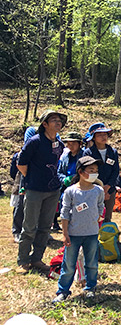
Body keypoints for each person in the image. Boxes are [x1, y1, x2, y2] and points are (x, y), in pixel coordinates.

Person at [16, 110, 67, 275]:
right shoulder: (35, 142)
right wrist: (31, 178)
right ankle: (23, 261)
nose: (58, 122)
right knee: (29, 226)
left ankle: (37, 259)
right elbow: (21, 163)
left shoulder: (59, 144)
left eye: (59, 120)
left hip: (53, 191)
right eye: (54, 120)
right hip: (35, 190)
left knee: (45, 227)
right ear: (45, 124)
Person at [53, 156, 105, 303]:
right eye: (91, 170)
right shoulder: (71, 192)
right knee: (68, 264)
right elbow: (65, 213)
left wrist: (99, 218)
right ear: (81, 172)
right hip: (74, 234)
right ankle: (63, 291)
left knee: (91, 263)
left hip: (92, 233)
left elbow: (101, 207)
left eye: (96, 170)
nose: (95, 173)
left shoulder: (98, 191)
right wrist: (65, 233)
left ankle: (90, 288)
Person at [83, 123, 119, 223]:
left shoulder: (112, 152)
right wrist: (99, 188)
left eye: (105, 134)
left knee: (107, 217)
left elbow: (115, 170)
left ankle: (106, 237)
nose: (103, 137)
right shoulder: (88, 152)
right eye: (99, 135)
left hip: (110, 189)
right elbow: (87, 172)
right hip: (92, 189)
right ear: (93, 138)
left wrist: (107, 187)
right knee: (92, 215)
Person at [10, 127, 37, 243]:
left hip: (38, 182)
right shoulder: (21, 154)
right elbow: (13, 172)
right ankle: (17, 230)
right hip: (22, 182)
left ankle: (37, 232)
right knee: (20, 206)